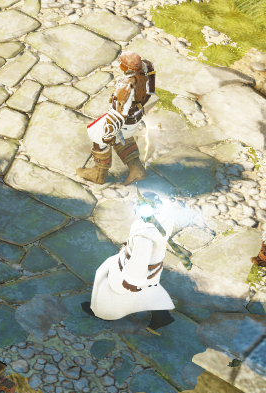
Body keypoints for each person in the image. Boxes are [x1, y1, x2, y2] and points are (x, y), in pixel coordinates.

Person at [82, 191, 178, 335]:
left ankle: (104, 312)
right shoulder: (164, 214)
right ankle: (162, 316)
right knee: (149, 288)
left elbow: (140, 258)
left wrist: (131, 281)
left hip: (137, 267)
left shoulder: (144, 236)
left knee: (108, 283)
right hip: (153, 264)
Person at [79, 51, 155, 186]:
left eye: (121, 62)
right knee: (125, 139)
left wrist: (109, 134)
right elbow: (150, 92)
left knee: (99, 141)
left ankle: (98, 175)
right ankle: (137, 170)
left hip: (124, 120)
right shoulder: (146, 70)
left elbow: (118, 115)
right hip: (135, 117)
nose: (120, 64)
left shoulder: (126, 86)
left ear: (125, 67)